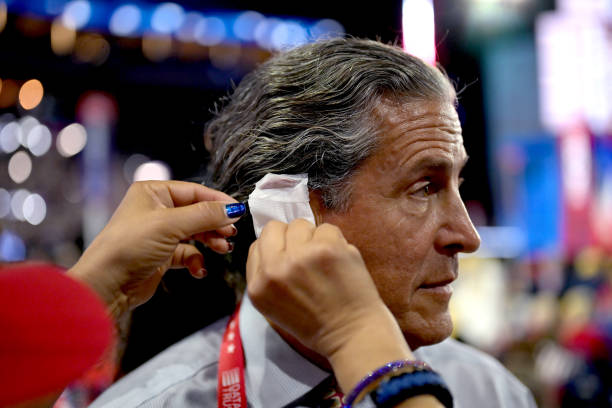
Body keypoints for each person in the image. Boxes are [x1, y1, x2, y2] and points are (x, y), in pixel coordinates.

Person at [90, 37, 537, 407]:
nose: (468, 236)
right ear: (290, 211)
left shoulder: (492, 392)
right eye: (424, 188)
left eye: (457, 183)